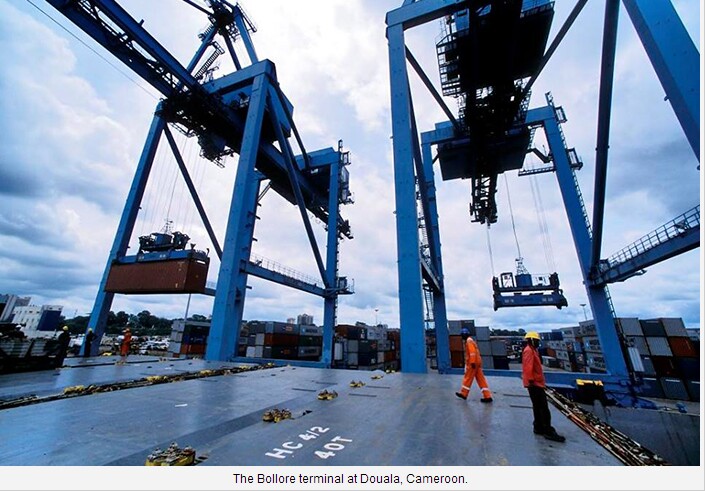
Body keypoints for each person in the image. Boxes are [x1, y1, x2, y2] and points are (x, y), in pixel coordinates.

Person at [522, 331, 565, 442]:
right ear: (532, 340)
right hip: (534, 383)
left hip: (536, 383)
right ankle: (547, 431)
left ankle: (538, 427)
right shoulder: (529, 351)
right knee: (543, 408)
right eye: (536, 341)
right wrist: (531, 381)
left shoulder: (532, 350)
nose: (538, 343)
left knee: (537, 406)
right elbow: (528, 367)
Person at [455, 327, 493, 402]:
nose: (462, 337)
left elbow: (472, 352)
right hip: (477, 362)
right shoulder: (471, 340)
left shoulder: (468, 341)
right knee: (481, 379)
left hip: (473, 363)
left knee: (468, 378)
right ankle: (487, 396)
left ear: (464, 334)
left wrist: (472, 362)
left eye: (462, 335)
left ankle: (464, 393)